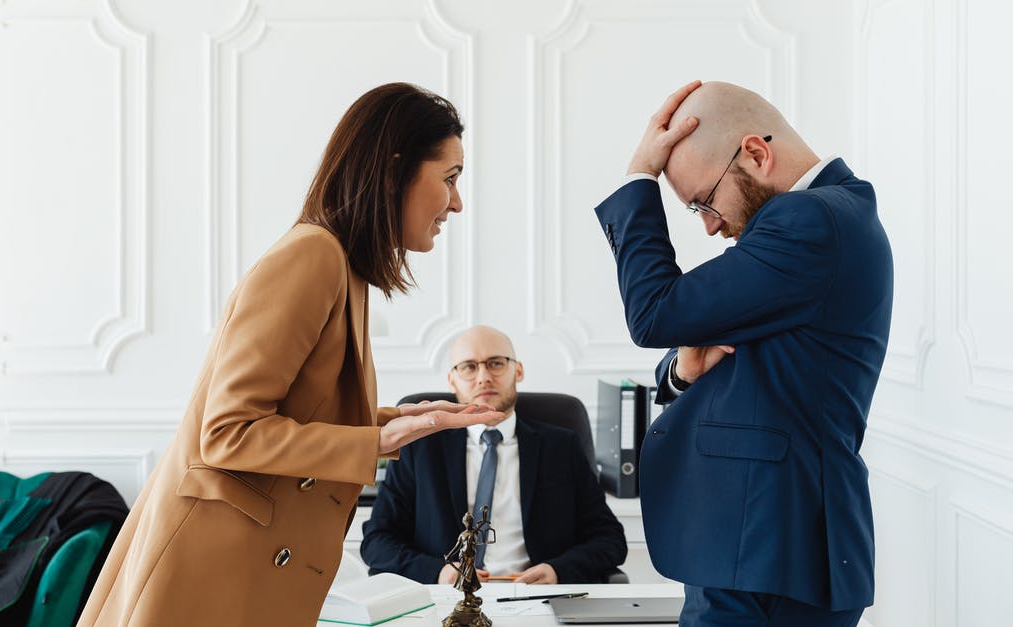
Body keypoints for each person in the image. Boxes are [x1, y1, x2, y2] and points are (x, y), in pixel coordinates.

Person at [77, 83, 504, 627]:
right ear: (395, 168)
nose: (457, 203)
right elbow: (227, 430)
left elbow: (295, 415)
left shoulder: (343, 265)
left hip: (242, 573)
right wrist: (376, 439)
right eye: (449, 178)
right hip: (209, 581)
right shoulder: (312, 256)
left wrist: (399, 422)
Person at [593, 80, 893, 626]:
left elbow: (655, 312)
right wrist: (683, 372)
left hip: (766, 555)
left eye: (704, 202)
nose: (710, 226)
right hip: (759, 550)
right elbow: (700, 344)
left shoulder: (810, 221)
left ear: (755, 153)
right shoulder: (824, 225)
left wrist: (640, 177)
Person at [360, 325, 627, 585]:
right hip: (447, 601)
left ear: (518, 370)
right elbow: (377, 542)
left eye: (496, 363)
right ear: (452, 380)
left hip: (534, 597)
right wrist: (440, 573)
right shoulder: (420, 447)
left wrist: (558, 571)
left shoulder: (561, 446)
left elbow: (610, 539)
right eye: (469, 366)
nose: (483, 377)